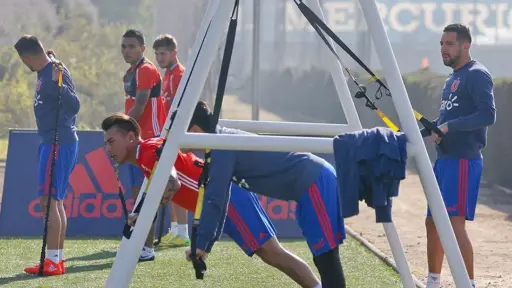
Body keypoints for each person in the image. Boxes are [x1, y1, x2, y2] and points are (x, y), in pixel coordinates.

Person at [101, 113, 322, 288]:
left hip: (228, 197)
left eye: (111, 141)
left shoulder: (147, 150)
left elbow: (172, 181)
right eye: (106, 144)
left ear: (130, 137)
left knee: (273, 253)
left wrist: (157, 199)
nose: (108, 149)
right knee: (270, 254)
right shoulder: (144, 156)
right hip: (221, 201)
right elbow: (165, 185)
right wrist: (143, 214)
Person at [184, 101, 347, 288]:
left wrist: (202, 244)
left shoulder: (221, 146)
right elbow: (221, 199)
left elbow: (216, 199)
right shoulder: (219, 144)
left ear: (194, 130)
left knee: (326, 257)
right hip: (309, 185)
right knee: (323, 258)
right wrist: (205, 244)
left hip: (315, 181)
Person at [421, 24, 496, 288]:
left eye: (449, 44)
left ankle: (468, 283)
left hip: (463, 160)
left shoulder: (477, 74)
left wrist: (449, 127)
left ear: (465, 45)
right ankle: (433, 281)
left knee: (454, 225)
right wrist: (423, 131)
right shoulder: (451, 78)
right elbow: (443, 120)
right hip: (443, 160)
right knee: (432, 222)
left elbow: (488, 115)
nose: (443, 48)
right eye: (441, 43)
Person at [14, 36, 80, 276]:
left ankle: (53, 261)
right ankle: (55, 259)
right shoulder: (46, 69)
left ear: (27, 57)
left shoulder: (56, 71)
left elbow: (74, 105)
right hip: (49, 142)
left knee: (51, 201)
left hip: (58, 142)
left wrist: (58, 85)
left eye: (23, 61)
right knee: (53, 201)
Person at [121, 28, 167, 261]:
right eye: (124, 46)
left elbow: (139, 107)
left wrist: (118, 130)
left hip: (150, 143)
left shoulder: (146, 69)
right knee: (138, 195)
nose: (127, 50)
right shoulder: (130, 72)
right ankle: (140, 243)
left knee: (145, 197)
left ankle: (146, 249)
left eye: (131, 46)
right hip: (136, 142)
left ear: (142, 48)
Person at [152, 34, 189, 247]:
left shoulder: (179, 74)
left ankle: (183, 232)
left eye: (163, 53)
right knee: (170, 180)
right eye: (157, 54)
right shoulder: (167, 74)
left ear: (174, 53)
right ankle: (175, 229)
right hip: (168, 134)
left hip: (177, 135)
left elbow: (181, 108)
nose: (159, 57)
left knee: (177, 180)